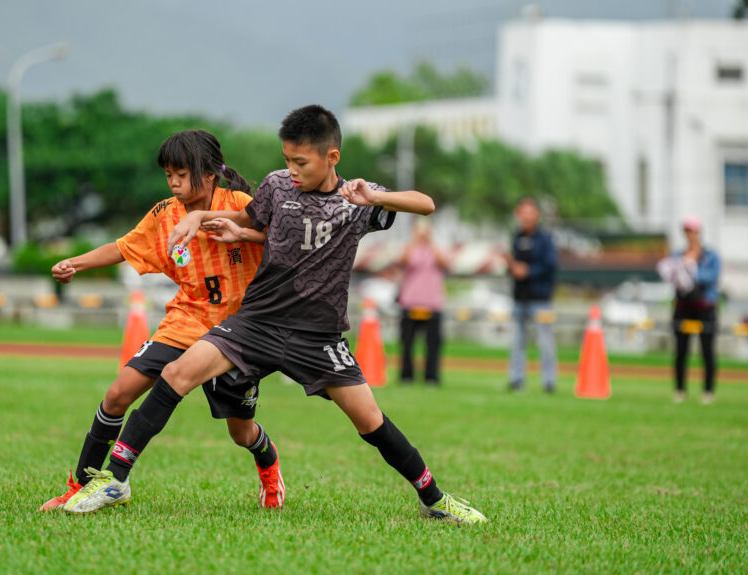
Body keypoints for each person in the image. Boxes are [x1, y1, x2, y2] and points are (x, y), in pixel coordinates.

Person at [63, 105, 487, 523]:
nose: (292, 169)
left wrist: (374, 195)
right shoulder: (278, 186)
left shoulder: (356, 200)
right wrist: (209, 219)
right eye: (287, 159)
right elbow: (247, 219)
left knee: (370, 422)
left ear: (331, 157)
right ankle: (116, 479)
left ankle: (433, 498)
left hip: (317, 337)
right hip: (256, 323)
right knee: (177, 375)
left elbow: (425, 203)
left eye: (301, 162)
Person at [40, 130, 286, 511]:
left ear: (207, 173)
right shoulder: (164, 213)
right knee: (118, 394)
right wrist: (77, 263)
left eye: (180, 173)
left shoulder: (239, 204)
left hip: (237, 332)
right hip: (185, 322)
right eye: (168, 173)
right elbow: (124, 247)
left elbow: (277, 240)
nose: (172, 182)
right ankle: (81, 485)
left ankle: (267, 461)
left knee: (240, 432)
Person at [657, 216, 721, 404]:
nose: (690, 235)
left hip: (705, 307)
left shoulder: (711, 256)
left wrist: (691, 268)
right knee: (681, 351)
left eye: (693, 231)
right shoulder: (678, 255)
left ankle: (708, 391)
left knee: (707, 351)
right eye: (687, 231)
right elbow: (669, 273)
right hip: (683, 306)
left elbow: (713, 277)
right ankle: (680, 389)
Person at [505, 198, 558, 393]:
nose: (526, 216)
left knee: (545, 341)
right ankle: (517, 379)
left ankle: (549, 381)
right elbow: (513, 266)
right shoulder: (516, 237)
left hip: (541, 299)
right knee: (518, 341)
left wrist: (527, 271)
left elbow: (550, 266)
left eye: (529, 212)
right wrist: (510, 265)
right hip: (520, 298)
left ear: (537, 215)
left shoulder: (545, 239)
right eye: (522, 212)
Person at [396, 220, 450, 385]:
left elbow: (445, 263)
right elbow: (402, 262)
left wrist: (430, 242)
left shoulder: (435, 249)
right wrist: (414, 241)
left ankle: (431, 376)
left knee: (433, 344)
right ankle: (407, 375)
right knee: (407, 343)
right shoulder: (410, 248)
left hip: (432, 303)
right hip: (410, 301)